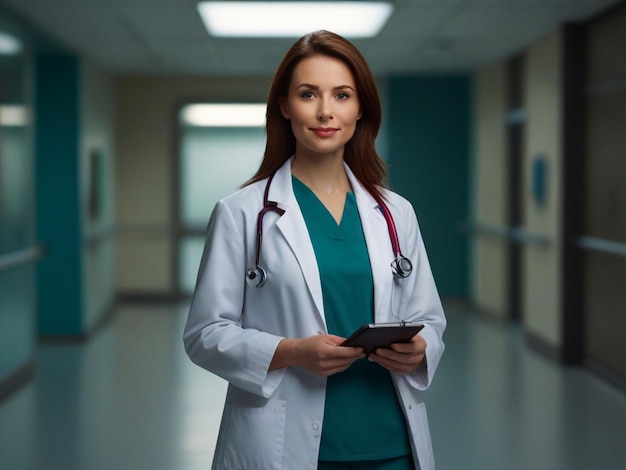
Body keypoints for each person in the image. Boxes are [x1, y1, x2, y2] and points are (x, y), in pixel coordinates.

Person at [183, 30, 446, 470]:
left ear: (361, 108)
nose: (326, 111)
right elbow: (205, 334)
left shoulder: (394, 212)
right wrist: (291, 352)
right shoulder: (242, 213)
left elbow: (430, 319)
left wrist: (420, 349)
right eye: (309, 94)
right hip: (283, 445)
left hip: (391, 442)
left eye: (342, 95)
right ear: (285, 106)